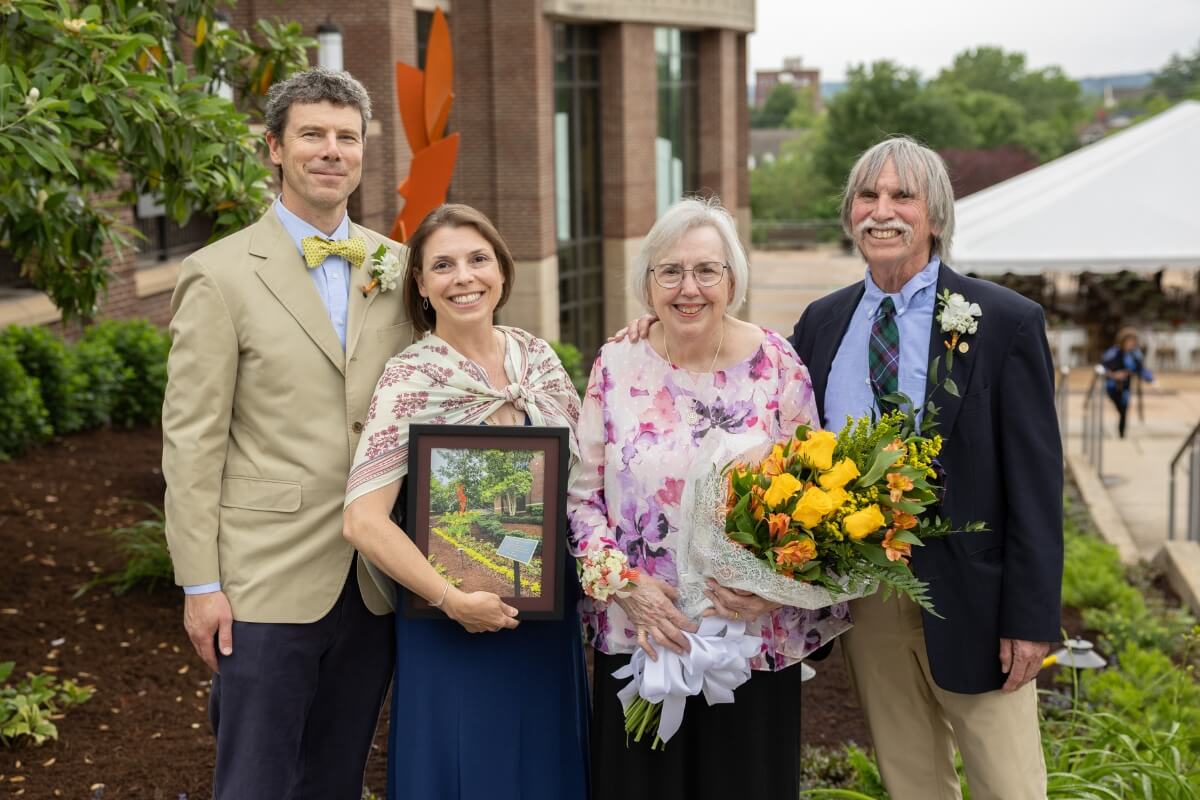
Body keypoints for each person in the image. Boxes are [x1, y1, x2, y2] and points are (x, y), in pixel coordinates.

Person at [790, 136, 1063, 800]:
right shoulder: (820, 324)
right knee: (912, 783)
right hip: (869, 598)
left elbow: (1035, 481)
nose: (882, 211)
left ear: (934, 217)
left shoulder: (1003, 322)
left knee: (1011, 786)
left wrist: (1030, 617)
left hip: (978, 600)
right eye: (868, 195)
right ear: (851, 213)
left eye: (902, 196)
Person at [162, 68, 409, 798]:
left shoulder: (395, 266)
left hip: (373, 578)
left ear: (364, 149)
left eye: (346, 137)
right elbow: (191, 440)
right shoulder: (218, 274)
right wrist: (200, 584)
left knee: (336, 778)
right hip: (262, 580)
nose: (331, 151)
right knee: (256, 781)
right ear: (274, 147)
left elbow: (461, 351)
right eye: (312, 135)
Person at [568, 197, 851, 800]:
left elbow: (813, 501)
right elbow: (581, 499)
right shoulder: (615, 364)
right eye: (670, 271)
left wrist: (768, 588)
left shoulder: (778, 365)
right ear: (648, 284)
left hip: (748, 640)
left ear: (732, 280)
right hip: (638, 635)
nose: (688, 288)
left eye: (706, 271)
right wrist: (626, 586)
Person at [342, 204, 590, 800]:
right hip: (449, 620)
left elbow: (584, 486)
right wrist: (452, 599)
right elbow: (362, 521)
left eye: (479, 259)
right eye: (443, 265)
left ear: (502, 271)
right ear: (422, 285)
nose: (464, 277)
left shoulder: (538, 359)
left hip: (544, 616)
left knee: (544, 767)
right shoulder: (410, 378)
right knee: (463, 768)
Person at [1101, 326, 1153, 438]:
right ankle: (1121, 432)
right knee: (1121, 408)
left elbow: (1141, 369)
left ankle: (1122, 435)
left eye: (1133, 341)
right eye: (1129, 341)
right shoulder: (1113, 353)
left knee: (1124, 409)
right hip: (1112, 386)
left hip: (1126, 386)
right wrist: (1114, 375)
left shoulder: (1135, 354)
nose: (1131, 343)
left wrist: (1151, 379)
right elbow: (1102, 368)